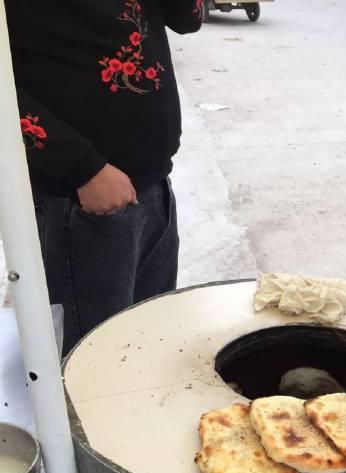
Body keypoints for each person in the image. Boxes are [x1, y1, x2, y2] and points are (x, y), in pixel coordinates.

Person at [9, 0, 203, 355]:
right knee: (92, 361)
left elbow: (188, 19)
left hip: (154, 185)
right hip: (81, 198)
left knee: (148, 346)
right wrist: (82, 168)